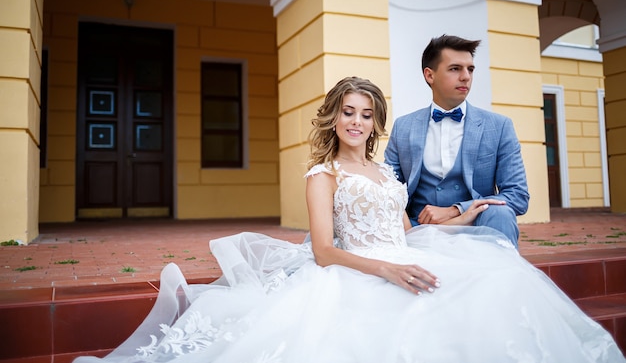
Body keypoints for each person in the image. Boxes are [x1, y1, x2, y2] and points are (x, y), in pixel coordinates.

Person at [74, 77, 624, 363]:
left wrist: (465, 216)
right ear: (334, 117)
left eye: (366, 114)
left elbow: (404, 232)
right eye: (348, 112)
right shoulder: (322, 174)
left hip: (404, 254)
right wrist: (385, 272)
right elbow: (323, 252)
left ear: (376, 122)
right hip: (350, 273)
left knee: (497, 277)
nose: (357, 121)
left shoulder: (386, 174)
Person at [385, 34, 529, 248]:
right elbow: (387, 188)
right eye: (455, 69)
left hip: (476, 224)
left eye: (470, 69)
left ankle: (501, 279)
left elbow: (517, 195)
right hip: (420, 226)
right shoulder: (404, 127)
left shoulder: (498, 126)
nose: (466, 77)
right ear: (429, 75)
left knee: (501, 213)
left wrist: (457, 210)